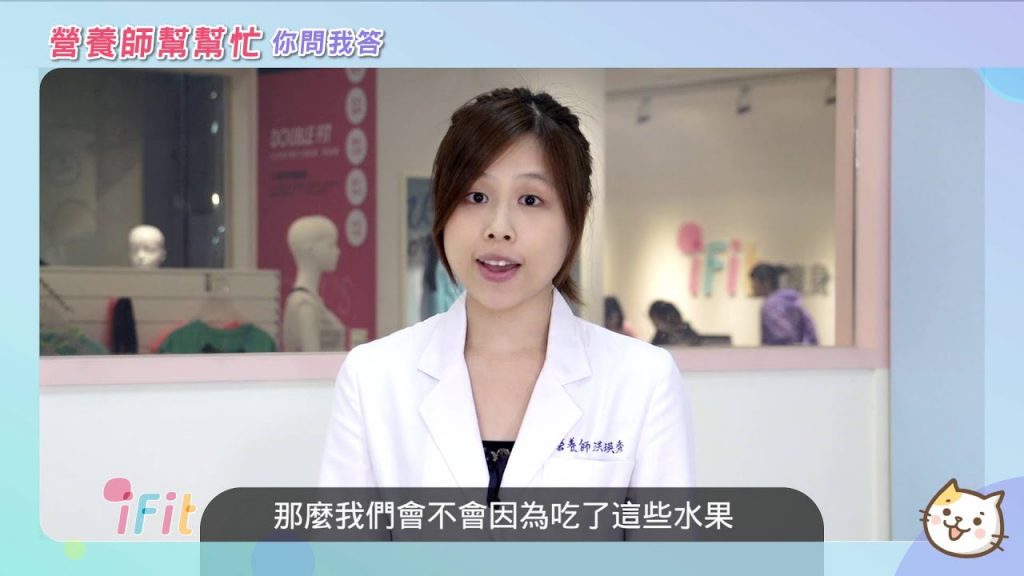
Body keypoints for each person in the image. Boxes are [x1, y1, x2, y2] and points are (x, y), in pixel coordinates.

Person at [320, 88, 693, 498]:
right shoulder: (373, 377)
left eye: (530, 199)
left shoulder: (642, 380)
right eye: (476, 196)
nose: (499, 228)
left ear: (575, 220)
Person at [750, 263, 819, 345]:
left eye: (754, 282)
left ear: (766, 283)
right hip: (802, 350)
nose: (752, 286)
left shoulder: (770, 305)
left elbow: (781, 337)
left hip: (780, 352)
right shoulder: (791, 300)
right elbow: (810, 329)